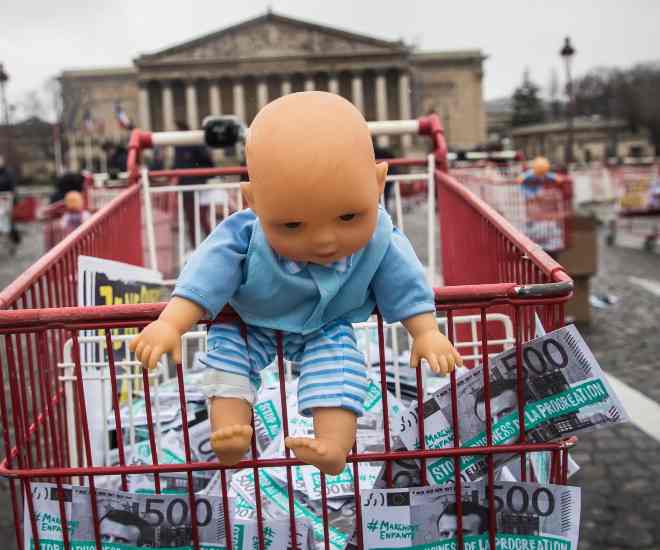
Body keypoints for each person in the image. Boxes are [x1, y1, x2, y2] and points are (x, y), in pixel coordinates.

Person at [130, 92, 462, 475]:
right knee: (227, 358)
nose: (325, 240)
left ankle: (334, 445)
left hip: (324, 323)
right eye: (291, 225)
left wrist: (425, 331)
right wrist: (171, 323)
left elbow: (404, 281)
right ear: (254, 202)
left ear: (377, 184)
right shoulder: (243, 235)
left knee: (339, 364)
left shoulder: (381, 238)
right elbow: (208, 272)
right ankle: (231, 433)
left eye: (348, 217)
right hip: (249, 317)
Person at [172, 120, 214, 248]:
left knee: (197, 219)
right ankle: (203, 246)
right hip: (192, 186)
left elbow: (206, 160)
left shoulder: (190, 144)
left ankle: (205, 246)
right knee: (195, 219)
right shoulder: (183, 145)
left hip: (194, 185)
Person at [0, 153, 20, 244]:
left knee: (8, 219)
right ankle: (9, 236)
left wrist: (13, 196)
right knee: (2, 218)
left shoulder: (8, 172)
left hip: (7, 198)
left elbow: (11, 185)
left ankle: (14, 237)